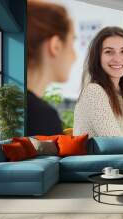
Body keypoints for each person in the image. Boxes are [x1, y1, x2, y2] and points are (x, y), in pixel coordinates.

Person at [26, 0, 76, 136]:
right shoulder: (42, 115)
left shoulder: (17, 105)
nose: (74, 56)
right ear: (56, 46)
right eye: (71, 43)